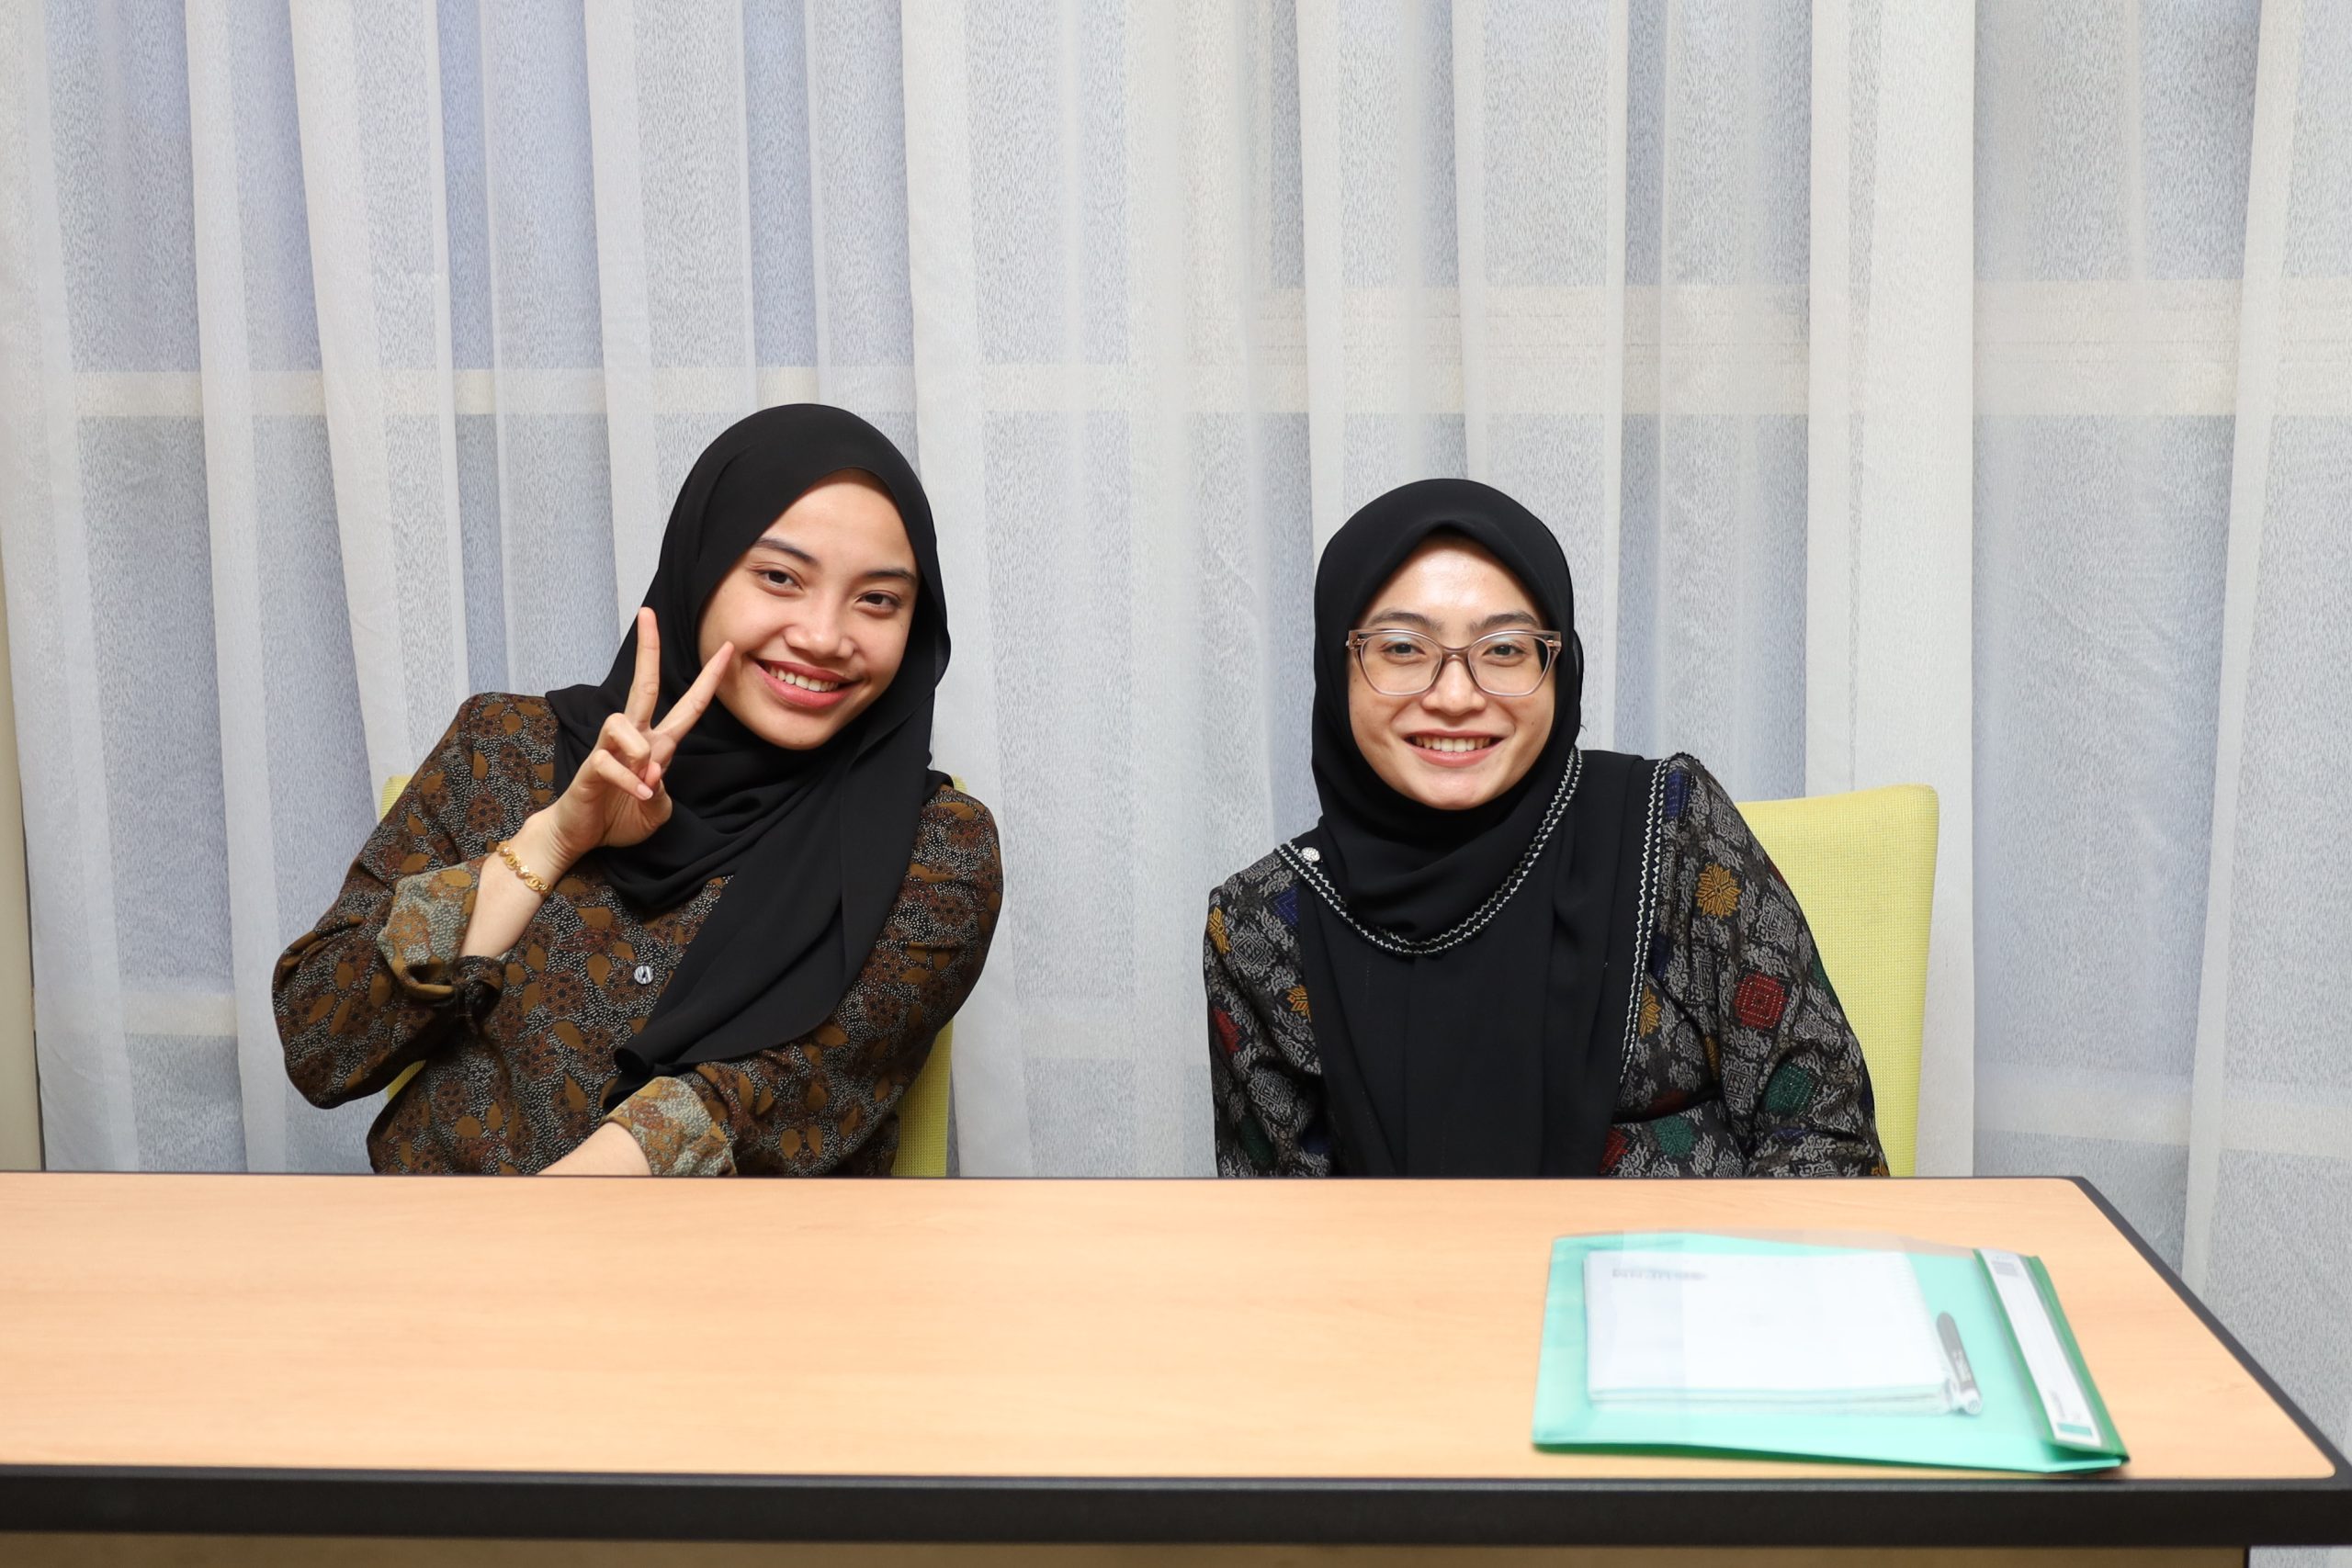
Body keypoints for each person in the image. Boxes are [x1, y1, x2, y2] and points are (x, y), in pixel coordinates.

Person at [277, 405, 1001, 1176]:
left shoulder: (932, 850)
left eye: (878, 599)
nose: (824, 636)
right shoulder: (502, 750)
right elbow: (322, 1044)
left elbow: (753, 1101)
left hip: (709, 1257)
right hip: (435, 1243)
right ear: (700, 568)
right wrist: (552, 841)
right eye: (780, 578)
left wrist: (513, 1238)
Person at [1204, 479, 1883, 1178]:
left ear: (1558, 669)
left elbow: (1826, 1138)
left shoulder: (1674, 830)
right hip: (1397, 1259)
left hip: (1691, 1254)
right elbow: (1276, 1224)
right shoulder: (1263, 927)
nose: (1456, 696)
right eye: (1403, 648)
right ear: (1337, 665)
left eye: (1504, 649)